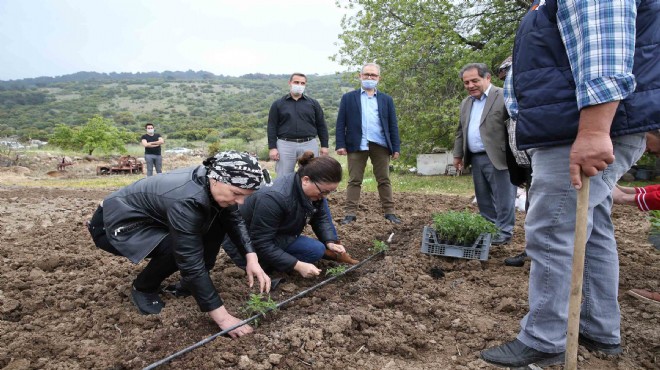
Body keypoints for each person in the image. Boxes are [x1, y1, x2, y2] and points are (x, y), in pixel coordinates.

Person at [480, 0, 659, 368]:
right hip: (580, 123)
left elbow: (604, 46)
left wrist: (594, 129)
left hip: (579, 127)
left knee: (551, 228)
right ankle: (598, 327)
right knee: (591, 229)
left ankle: (545, 338)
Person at [86, 151, 272, 338]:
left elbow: (233, 218)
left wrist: (251, 257)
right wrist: (224, 319)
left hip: (151, 220)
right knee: (178, 248)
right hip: (114, 224)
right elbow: (189, 259)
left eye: (245, 196)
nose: (240, 201)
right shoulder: (186, 200)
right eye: (237, 194)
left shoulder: (211, 180)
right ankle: (143, 287)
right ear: (217, 180)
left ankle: (189, 285)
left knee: (216, 220)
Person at [223, 151, 358, 279]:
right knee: (314, 250)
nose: (324, 196)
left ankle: (323, 252)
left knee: (317, 244)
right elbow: (261, 242)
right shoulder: (274, 198)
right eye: (323, 192)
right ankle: (273, 265)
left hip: (278, 232)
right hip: (247, 243)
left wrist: (330, 241)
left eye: (329, 192)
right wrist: (297, 265)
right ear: (306, 180)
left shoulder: (311, 191)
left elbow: (321, 217)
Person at [453, 63, 517, 245]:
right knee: (483, 198)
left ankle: (504, 232)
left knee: (503, 196)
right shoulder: (466, 103)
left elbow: (514, 125)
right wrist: (458, 155)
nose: (470, 86)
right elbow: (460, 131)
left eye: (475, 81)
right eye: (466, 82)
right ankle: (488, 230)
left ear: (487, 78)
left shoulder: (503, 95)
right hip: (476, 157)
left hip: (499, 157)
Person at [335, 63, 402, 225]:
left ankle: (389, 212)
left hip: (380, 144)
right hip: (356, 144)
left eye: (373, 75)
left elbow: (393, 124)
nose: (370, 78)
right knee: (354, 180)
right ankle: (350, 214)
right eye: (367, 75)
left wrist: (396, 147)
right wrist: (340, 144)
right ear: (360, 76)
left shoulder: (386, 99)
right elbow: (340, 123)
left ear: (378, 78)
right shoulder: (348, 98)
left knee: (384, 179)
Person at [267, 72, 329, 176]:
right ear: (290, 83)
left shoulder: (313, 104)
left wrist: (324, 146)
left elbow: (321, 125)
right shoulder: (278, 104)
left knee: (311, 175)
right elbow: (272, 126)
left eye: (302, 83)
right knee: (283, 176)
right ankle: (284, 193)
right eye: (296, 82)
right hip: (285, 145)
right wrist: (272, 148)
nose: (299, 85)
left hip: (309, 144)